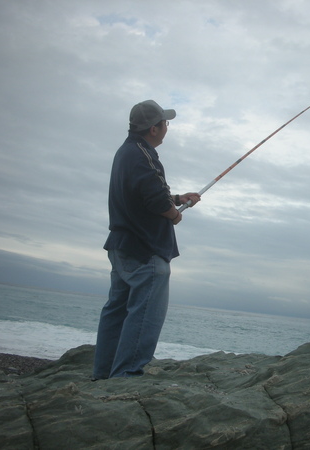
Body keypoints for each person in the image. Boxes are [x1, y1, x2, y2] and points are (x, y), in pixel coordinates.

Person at [93, 99, 200, 379]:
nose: (167, 127)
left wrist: (178, 199)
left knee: (116, 312)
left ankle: (103, 375)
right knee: (144, 316)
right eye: (165, 123)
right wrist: (173, 214)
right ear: (154, 129)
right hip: (144, 249)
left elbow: (142, 192)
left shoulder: (128, 152)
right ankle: (126, 376)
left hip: (122, 245)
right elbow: (154, 200)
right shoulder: (143, 155)